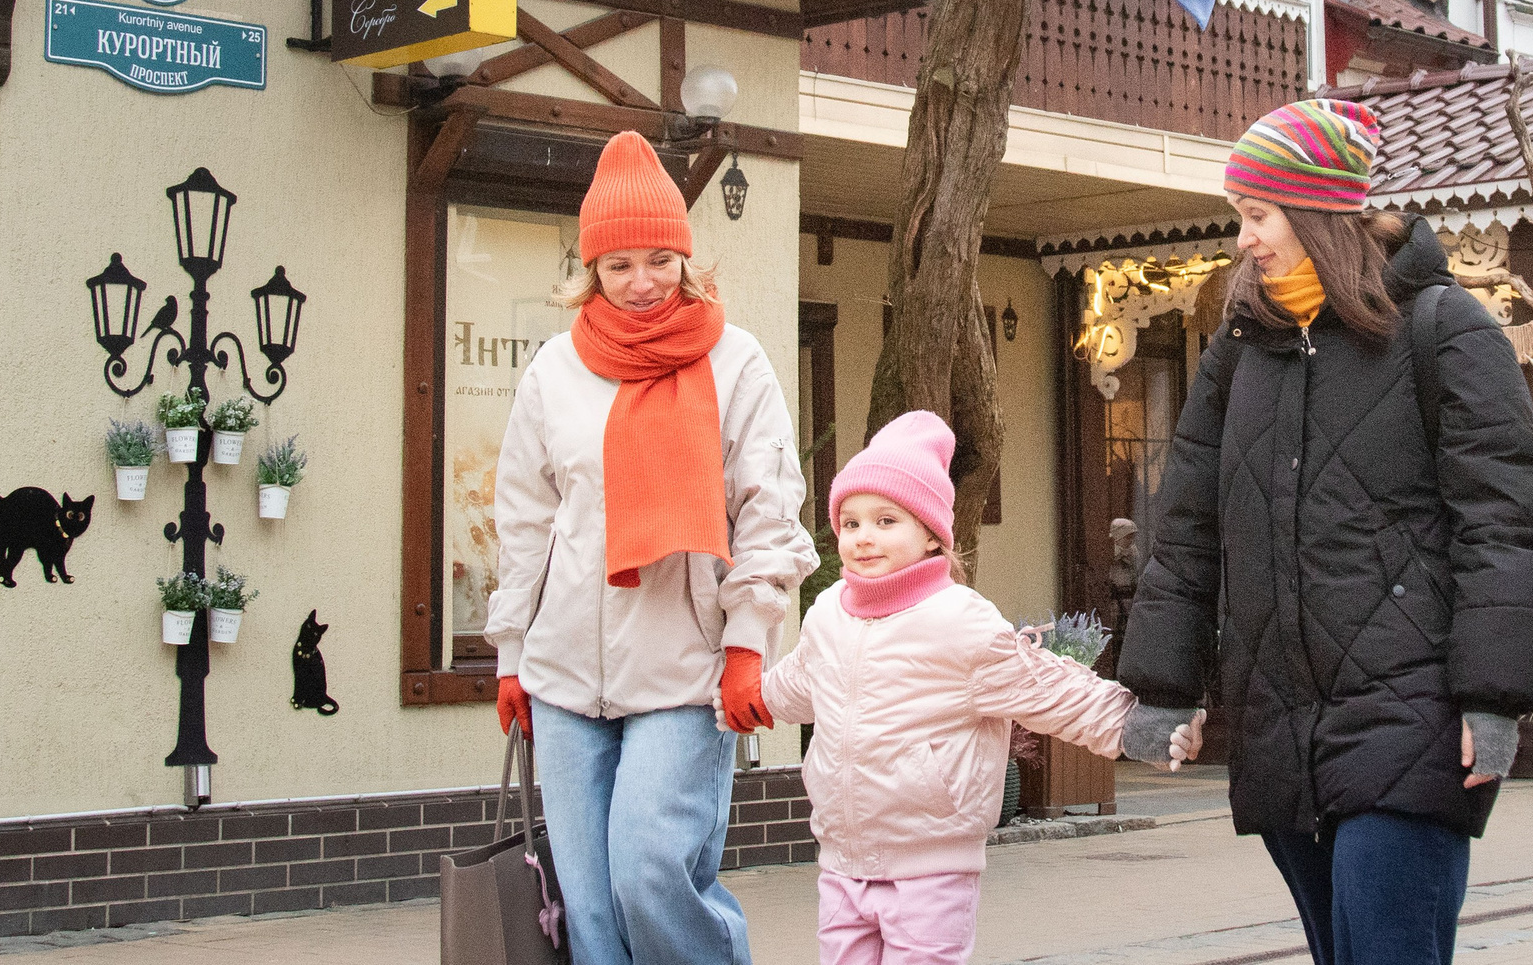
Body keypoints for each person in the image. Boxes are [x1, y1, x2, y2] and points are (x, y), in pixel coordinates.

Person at [1117, 97, 1533, 965]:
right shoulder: (1243, 347)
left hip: (1412, 712)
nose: (1244, 238)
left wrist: (1495, 694)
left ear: (1319, 212)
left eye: (1258, 214)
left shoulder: (1445, 330)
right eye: (1240, 215)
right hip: (1281, 721)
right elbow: (1189, 522)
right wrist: (1163, 687)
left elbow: (1506, 523)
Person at [484, 131, 816, 965]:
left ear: (686, 257)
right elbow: (524, 520)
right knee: (590, 908)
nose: (642, 282)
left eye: (660, 259)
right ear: (591, 267)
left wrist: (748, 643)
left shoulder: (735, 363)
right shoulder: (554, 370)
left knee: (648, 872)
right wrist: (513, 653)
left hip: (684, 671)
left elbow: (769, 511)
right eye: (620, 263)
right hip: (565, 676)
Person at [764, 411, 1196, 965]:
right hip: (842, 862)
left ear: (930, 535)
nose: (863, 537)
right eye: (850, 523)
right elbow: (799, 681)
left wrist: (1132, 725)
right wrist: (738, 697)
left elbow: (1046, 687)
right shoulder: (827, 615)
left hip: (931, 863)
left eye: (886, 520)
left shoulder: (959, 621)